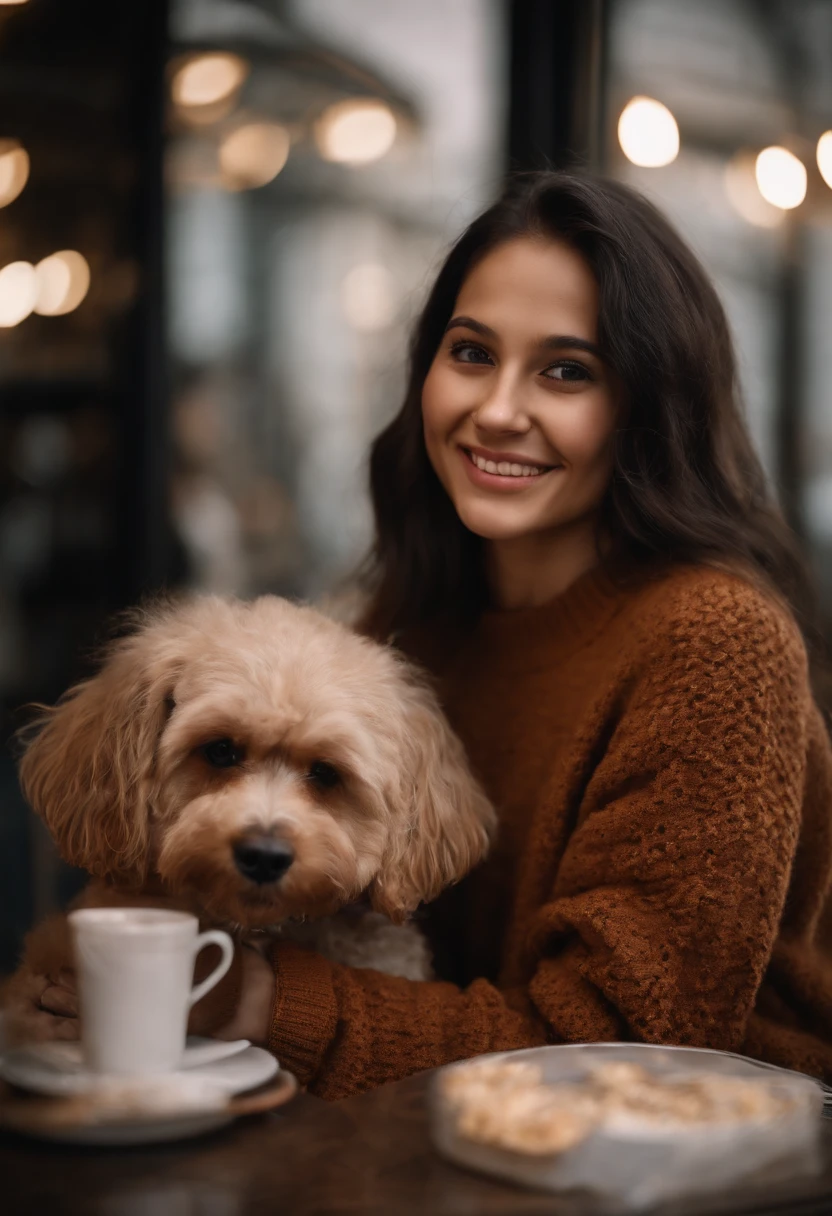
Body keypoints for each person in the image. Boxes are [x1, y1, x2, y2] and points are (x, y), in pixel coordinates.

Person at [207, 172, 832, 1097]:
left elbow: (616, 1051)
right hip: (444, 1144)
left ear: (648, 407)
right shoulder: (415, 627)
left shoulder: (716, 644)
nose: (497, 410)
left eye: (566, 371)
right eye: (471, 352)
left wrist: (259, 1005)